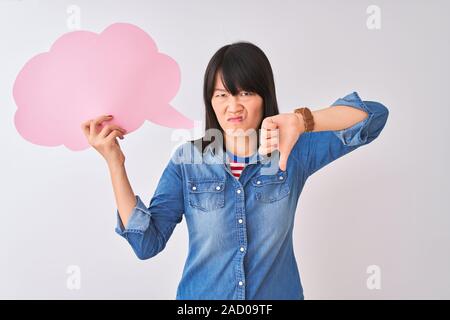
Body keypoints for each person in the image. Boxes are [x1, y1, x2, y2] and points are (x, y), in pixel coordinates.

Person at [81, 42, 389, 300]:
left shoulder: (292, 151)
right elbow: (146, 244)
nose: (233, 106)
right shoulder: (188, 161)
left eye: (245, 93)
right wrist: (114, 162)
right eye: (222, 95)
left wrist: (303, 120)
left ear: (264, 96)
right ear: (210, 101)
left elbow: (373, 117)